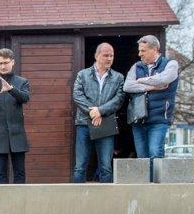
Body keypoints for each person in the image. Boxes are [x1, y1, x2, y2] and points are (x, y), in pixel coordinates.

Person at [72, 42, 124, 182]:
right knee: (80, 166)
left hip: (106, 123)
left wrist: (100, 111)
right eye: (106, 55)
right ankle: (76, 195)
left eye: (111, 56)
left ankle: (106, 196)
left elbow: (119, 99)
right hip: (84, 123)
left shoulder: (118, 77)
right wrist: (92, 112)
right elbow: (77, 95)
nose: (109, 58)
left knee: (106, 166)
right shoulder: (82, 75)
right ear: (96, 56)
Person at [123, 35, 180, 159]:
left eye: (143, 51)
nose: (139, 54)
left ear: (154, 49)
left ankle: (157, 173)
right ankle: (147, 174)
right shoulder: (136, 66)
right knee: (142, 157)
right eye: (139, 50)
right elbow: (127, 86)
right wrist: (152, 87)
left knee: (155, 152)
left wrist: (142, 80)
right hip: (139, 120)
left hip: (159, 119)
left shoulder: (171, 64)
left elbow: (164, 79)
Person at [0, 48, 30, 183]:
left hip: (17, 134)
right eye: (0, 63)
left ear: (12, 62)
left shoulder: (22, 82)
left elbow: (25, 98)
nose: (3, 66)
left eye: (6, 63)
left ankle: (19, 197)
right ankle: (1, 198)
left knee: (19, 173)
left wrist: (11, 89)